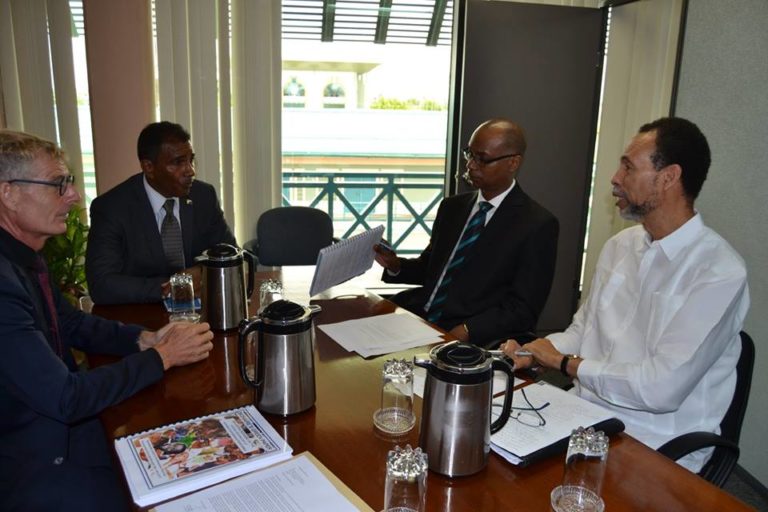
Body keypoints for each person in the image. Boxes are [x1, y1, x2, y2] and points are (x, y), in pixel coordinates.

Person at [502, 117, 749, 472]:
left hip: (655, 445)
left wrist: (565, 363)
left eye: (628, 167)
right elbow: (583, 332)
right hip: (585, 415)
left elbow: (660, 389)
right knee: (489, 453)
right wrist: (533, 351)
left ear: (669, 178)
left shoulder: (719, 272)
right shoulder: (621, 246)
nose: (615, 178)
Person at [0, 130, 215, 511]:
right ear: (9, 193)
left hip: (69, 431)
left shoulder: (25, 254)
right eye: (58, 184)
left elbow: (71, 323)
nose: (73, 196)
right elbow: (66, 397)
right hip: (34, 460)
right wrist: (163, 357)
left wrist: (144, 339)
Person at [374, 118, 559, 345]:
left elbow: (523, 309)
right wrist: (395, 265)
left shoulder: (536, 224)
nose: (470, 165)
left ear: (513, 163)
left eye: (482, 159)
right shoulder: (452, 207)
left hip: (471, 332)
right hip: (419, 315)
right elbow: (432, 269)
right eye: (469, 154)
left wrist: (466, 330)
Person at [86, 121, 236, 304]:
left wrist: (203, 271)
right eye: (178, 162)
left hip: (200, 312)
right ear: (148, 167)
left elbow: (232, 254)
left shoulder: (203, 196)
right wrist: (174, 286)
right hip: (139, 313)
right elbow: (101, 284)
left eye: (190, 160)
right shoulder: (112, 208)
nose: (190, 171)